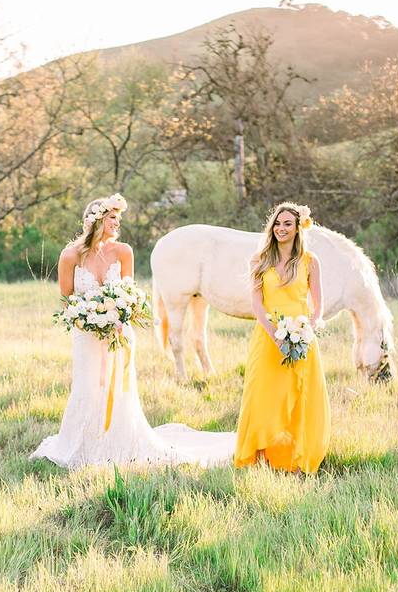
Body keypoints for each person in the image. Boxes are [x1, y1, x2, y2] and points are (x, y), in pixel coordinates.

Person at [31, 193, 235, 468]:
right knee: (88, 388)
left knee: (120, 390)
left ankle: (121, 443)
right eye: (112, 218)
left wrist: (118, 315)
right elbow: (67, 299)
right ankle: (84, 444)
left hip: (119, 333)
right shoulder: (70, 255)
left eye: (118, 218)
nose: (117, 223)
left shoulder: (123, 252)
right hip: (87, 336)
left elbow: (128, 292)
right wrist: (89, 318)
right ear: (95, 221)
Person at [233, 202, 329, 473]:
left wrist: (305, 331)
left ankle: (297, 459)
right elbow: (257, 305)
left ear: (299, 228)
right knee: (264, 394)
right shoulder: (259, 260)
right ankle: (261, 457)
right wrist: (276, 336)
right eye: (277, 223)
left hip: (302, 338)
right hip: (267, 336)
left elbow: (318, 305)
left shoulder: (310, 262)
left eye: (287, 223)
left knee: (299, 396)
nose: (281, 228)